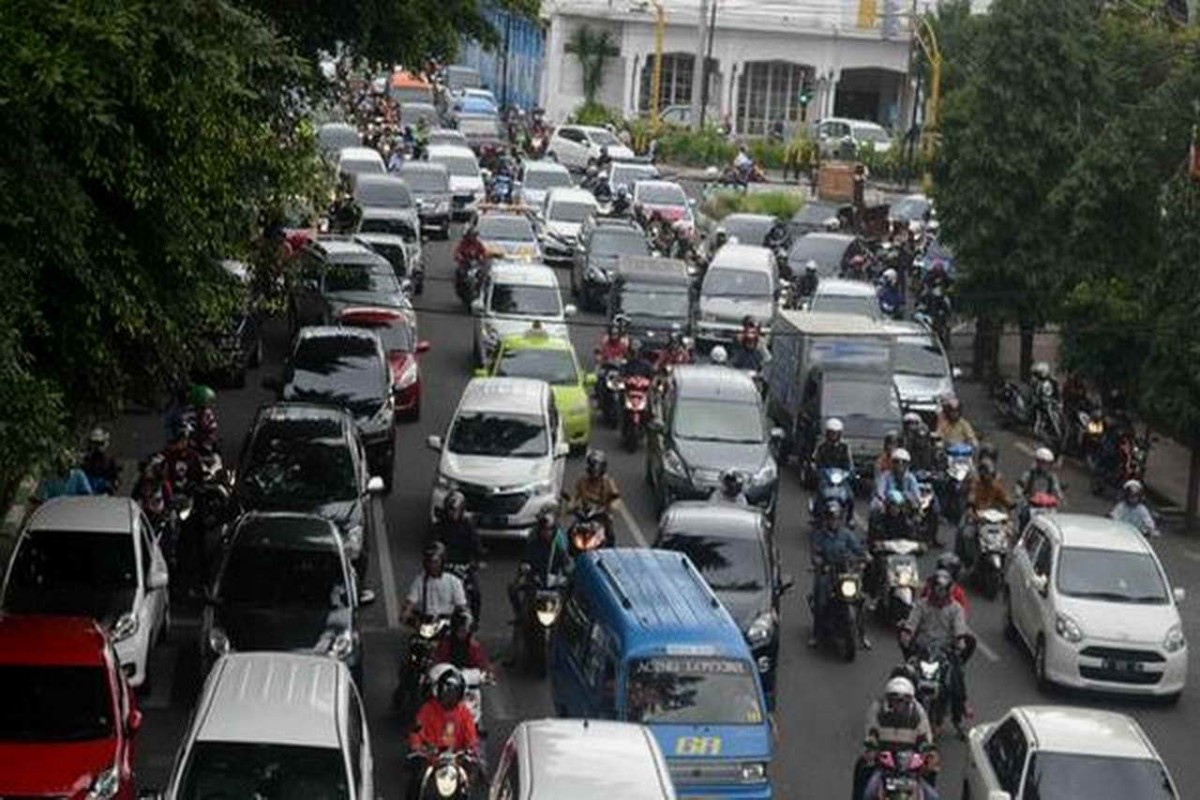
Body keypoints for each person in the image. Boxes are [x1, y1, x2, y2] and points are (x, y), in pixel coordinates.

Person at [900, 569, 972, 738]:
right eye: (937, 589)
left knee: (956, 682)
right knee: (903, 676)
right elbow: (912, 622)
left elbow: (959, 628)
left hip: (945, 652)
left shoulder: (956, 609)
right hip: (922, 651)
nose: (939, 594)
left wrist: (960, 640)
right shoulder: (921, 605)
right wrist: (907, 634)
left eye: (943, 590)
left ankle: (958, 719)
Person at [856, 676, 939, 800]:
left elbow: (924, 737)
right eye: (896, 701)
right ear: (889, 700)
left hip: (910, 768)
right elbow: (872, 732)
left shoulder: (918, 713)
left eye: (904, 701)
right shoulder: (878, 709)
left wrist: (929, 752)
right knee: (868, 792)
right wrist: (871, 748)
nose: (899, 705)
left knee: (933, 797)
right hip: (883, 766)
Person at [406, 667, 481, 798]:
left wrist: (471, 751)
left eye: (452, 694)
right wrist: (417, 747)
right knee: (416, 783)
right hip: (431, 760)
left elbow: (471, 738)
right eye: (446, 693)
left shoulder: (464, 714)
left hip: (455, 762)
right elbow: (416, 730)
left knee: (466, 788)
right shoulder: (428, 710)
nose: (448, 698)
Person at [809, 499, 867, 648]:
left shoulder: (846, 534)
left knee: (860, 599)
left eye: (836, 518)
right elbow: (815, 554)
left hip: (845, 572)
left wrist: (865, 557)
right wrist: (819, 562)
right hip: (828, 572)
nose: (833, 521)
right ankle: (816, 634)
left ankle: (862, 635)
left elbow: (858, 549)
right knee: (821, 600)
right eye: (830, 518)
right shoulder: (819, 535)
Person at [430, 491, 485, 623]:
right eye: (450, 510)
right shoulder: (439, 526)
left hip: (463, 568)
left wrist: (479, 559)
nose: (452, 513)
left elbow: (476, 545)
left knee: (475, 594)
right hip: (444, 567)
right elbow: (432, 544)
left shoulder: (468, 527)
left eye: (455, 510)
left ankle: (474, 622)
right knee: (429, 588)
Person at [402, 541, 469, 625]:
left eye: (435, 562)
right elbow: (410, 601)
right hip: (426, 623)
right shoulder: (420, 580)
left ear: (442, 561)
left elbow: (462, 606)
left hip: (447, 625)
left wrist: (465, 619)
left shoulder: (453, 581)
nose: (431, 565)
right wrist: (406, 613)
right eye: (428, 562)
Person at [571, 450, 621, 516]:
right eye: (592, 466)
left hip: (601, 516)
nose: (594, 471)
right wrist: (572, 504)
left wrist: (613, 506)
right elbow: (575, 495)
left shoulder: (609, 482)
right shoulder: (582, 480)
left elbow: (616, 498)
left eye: (597, 468)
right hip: (584, 515)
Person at [873, 448, 921, 513]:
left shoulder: (910, 477)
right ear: (892, 463)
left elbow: (916, 494)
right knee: (875, 505)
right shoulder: (886, 476)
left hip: (905, 506)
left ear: (907, 465)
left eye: (903, 462)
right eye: (896, 462)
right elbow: (880, 492)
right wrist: (886, 500)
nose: (900, 465)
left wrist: (907, 497)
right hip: (888, 506)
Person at [81, 427, 120, 495]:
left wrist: (112, 483)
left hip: (104, 494)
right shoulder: (87, 460)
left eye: (100, 443)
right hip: (88, 494)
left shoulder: (110, 460)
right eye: (95, 443)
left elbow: (115, 479)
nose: (97, 447)